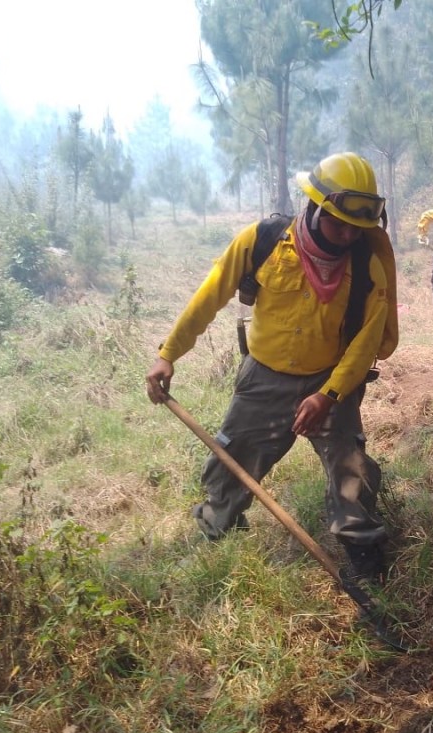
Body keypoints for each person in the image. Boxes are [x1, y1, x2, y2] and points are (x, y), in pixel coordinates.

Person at [145, 152, 398, 586]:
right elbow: (211, 294)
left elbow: (366, 343)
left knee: (350, 468)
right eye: (339, 224)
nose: (347, 236)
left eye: (357, 228)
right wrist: (169, 353)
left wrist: (329, 396)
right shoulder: (262, 241)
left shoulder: (366, 265)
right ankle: (217, 531)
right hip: (264, 377)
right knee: (229, 466)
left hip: (331, 380)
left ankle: (365, 556)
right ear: (314, 208)